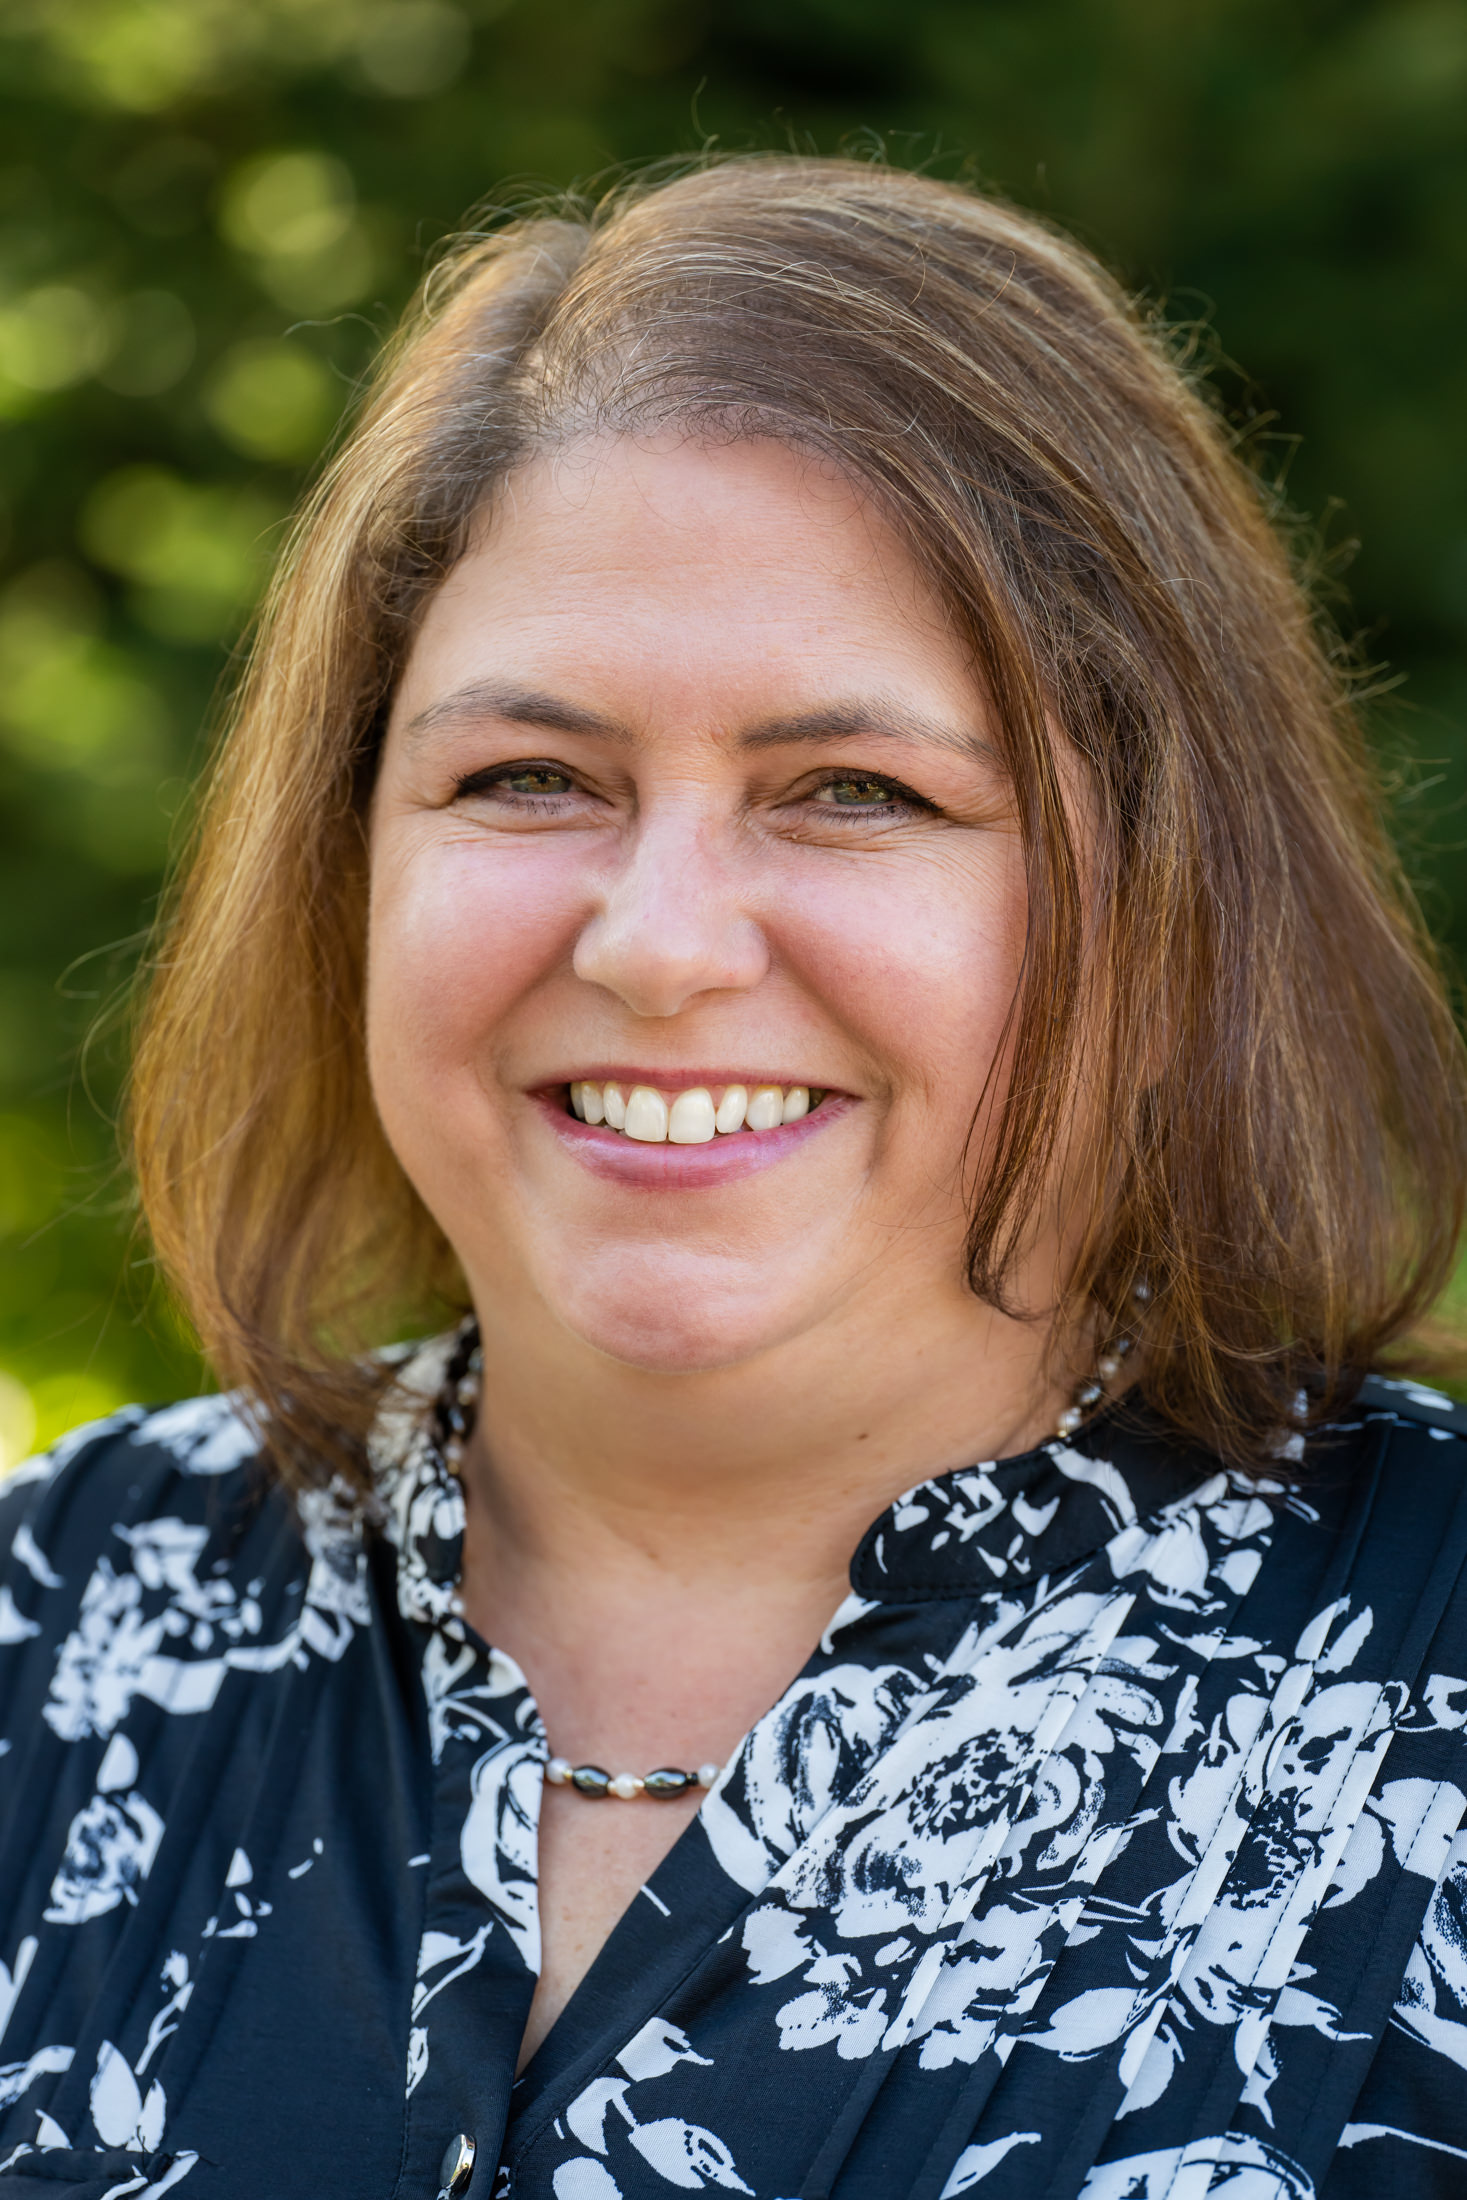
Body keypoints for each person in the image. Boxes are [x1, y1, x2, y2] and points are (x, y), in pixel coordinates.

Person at [2, 154, 1467, 2200]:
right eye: (528, 777)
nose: (657, 941)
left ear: (1166, 891)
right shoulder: (42, 1638)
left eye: (853, 792)